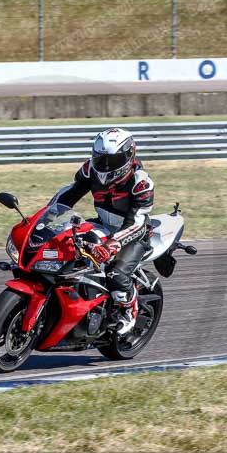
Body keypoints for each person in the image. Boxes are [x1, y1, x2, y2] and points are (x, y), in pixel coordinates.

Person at [50, 128, 154, 335]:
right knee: (63, 245)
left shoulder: (141, 182)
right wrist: (47, 217)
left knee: (115, 272)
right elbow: (70, 194)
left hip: (134, 234)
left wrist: (111, 245)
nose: (105, 166)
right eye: (100, 159)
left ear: (128, 155)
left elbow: (136, 222)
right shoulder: (91, 170)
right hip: (102, 224)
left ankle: (128, 311)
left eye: (112, 161)